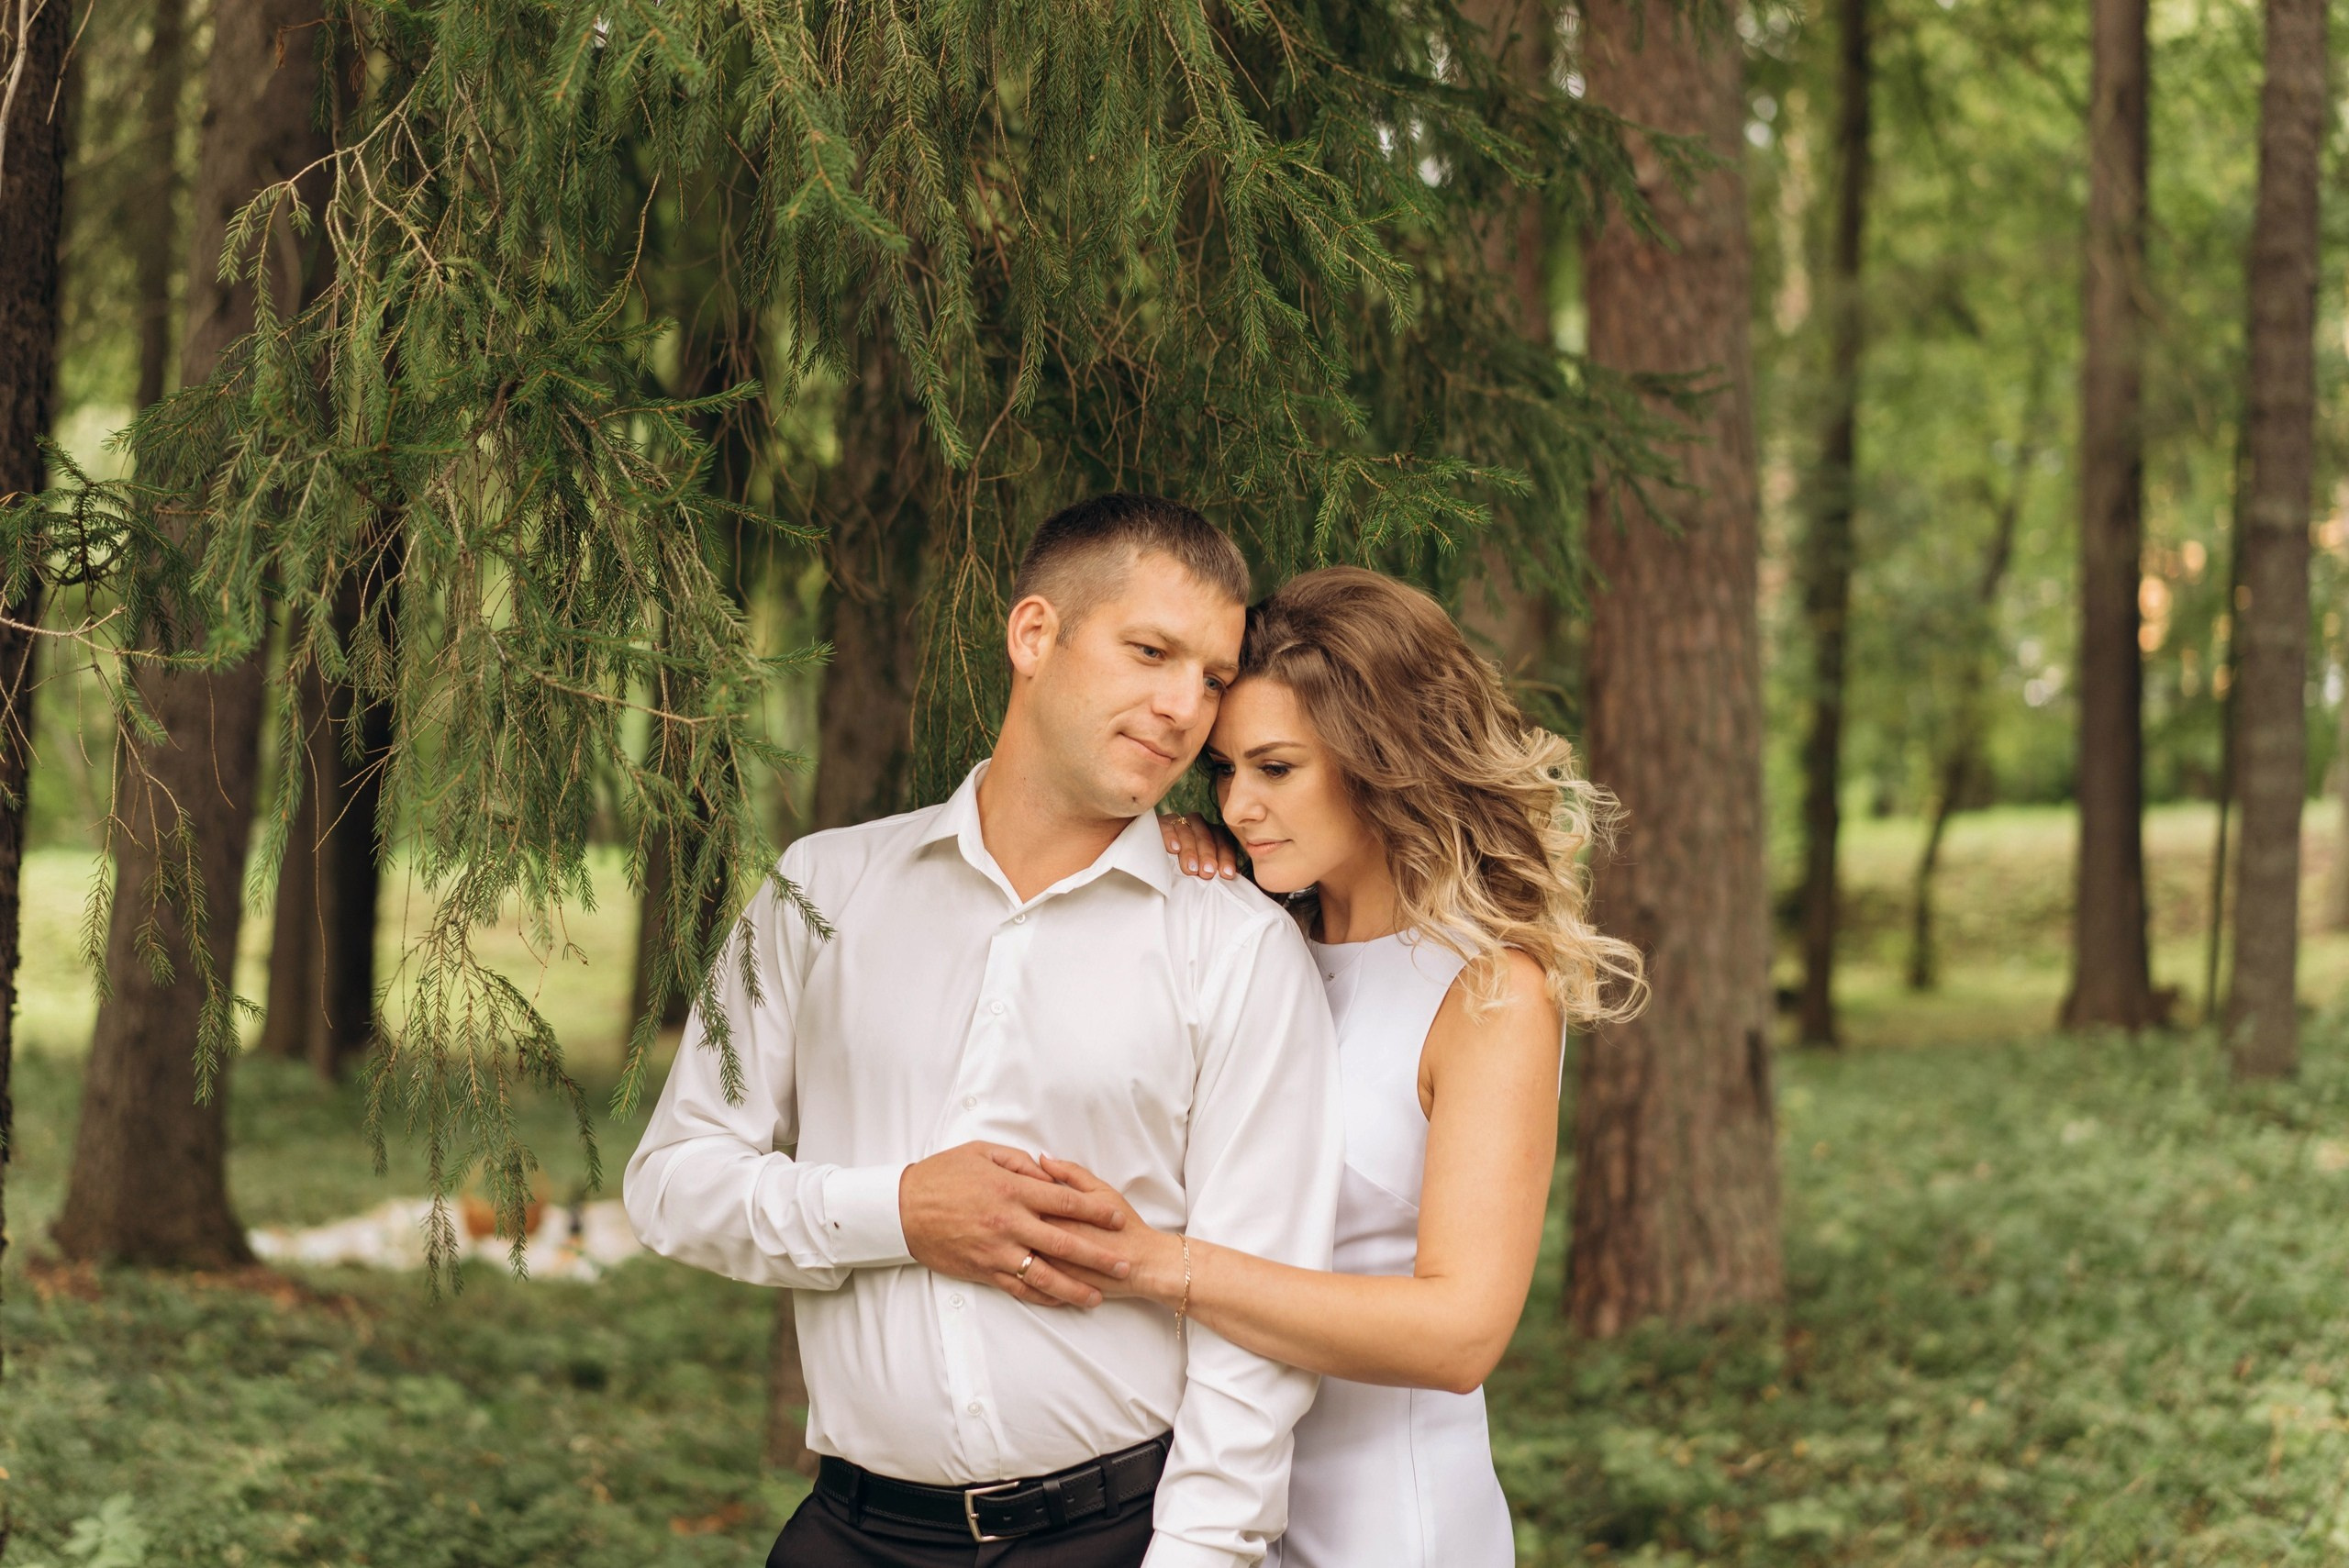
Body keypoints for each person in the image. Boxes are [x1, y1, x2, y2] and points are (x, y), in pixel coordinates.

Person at [623, 495, 1345, 1568]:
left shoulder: (1233, 947)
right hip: (847, 1532)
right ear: (1034, 634)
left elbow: (1256, 1323)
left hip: (1113, 1536)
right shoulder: (823, 886)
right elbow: (671, 1185)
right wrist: (896, 1209)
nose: (1181, 706)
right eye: (1149, 650)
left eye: (1210, 678)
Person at [1047, 566, 1646, 1568]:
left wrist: (1162, 1265)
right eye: (1224, 770)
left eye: (1276, 767)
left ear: (1382, 760)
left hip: (1387, 1524)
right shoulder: (1243, 941)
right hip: (1206, 1501)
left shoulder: (1490, 990)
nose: (1238, 803)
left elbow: (1459, 1334)